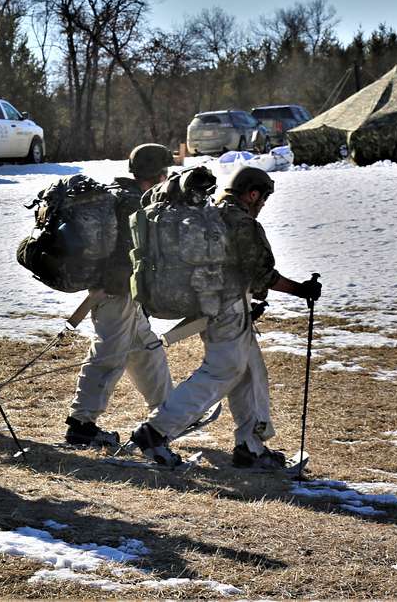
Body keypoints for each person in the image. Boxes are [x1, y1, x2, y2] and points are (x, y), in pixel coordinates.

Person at [130, 166, 322, 469]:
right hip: (227, 310)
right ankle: (155, 431)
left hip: (223, 305)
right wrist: (301, 290)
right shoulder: (240, 221)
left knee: (249, 371)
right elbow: (261, 274)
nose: (262, 206)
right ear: (253, 194)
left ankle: (251, 446)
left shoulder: (214, 214)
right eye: (262, 199)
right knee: (222, 371)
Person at [64, 144, 175, 447]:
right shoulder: (134, 203)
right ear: (157, 175)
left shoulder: (116, 194)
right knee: (108, 356)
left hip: (123, 293)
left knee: (146, 349)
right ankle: (81, 424)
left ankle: (170, 411)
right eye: (166, 174)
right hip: (115, 293)